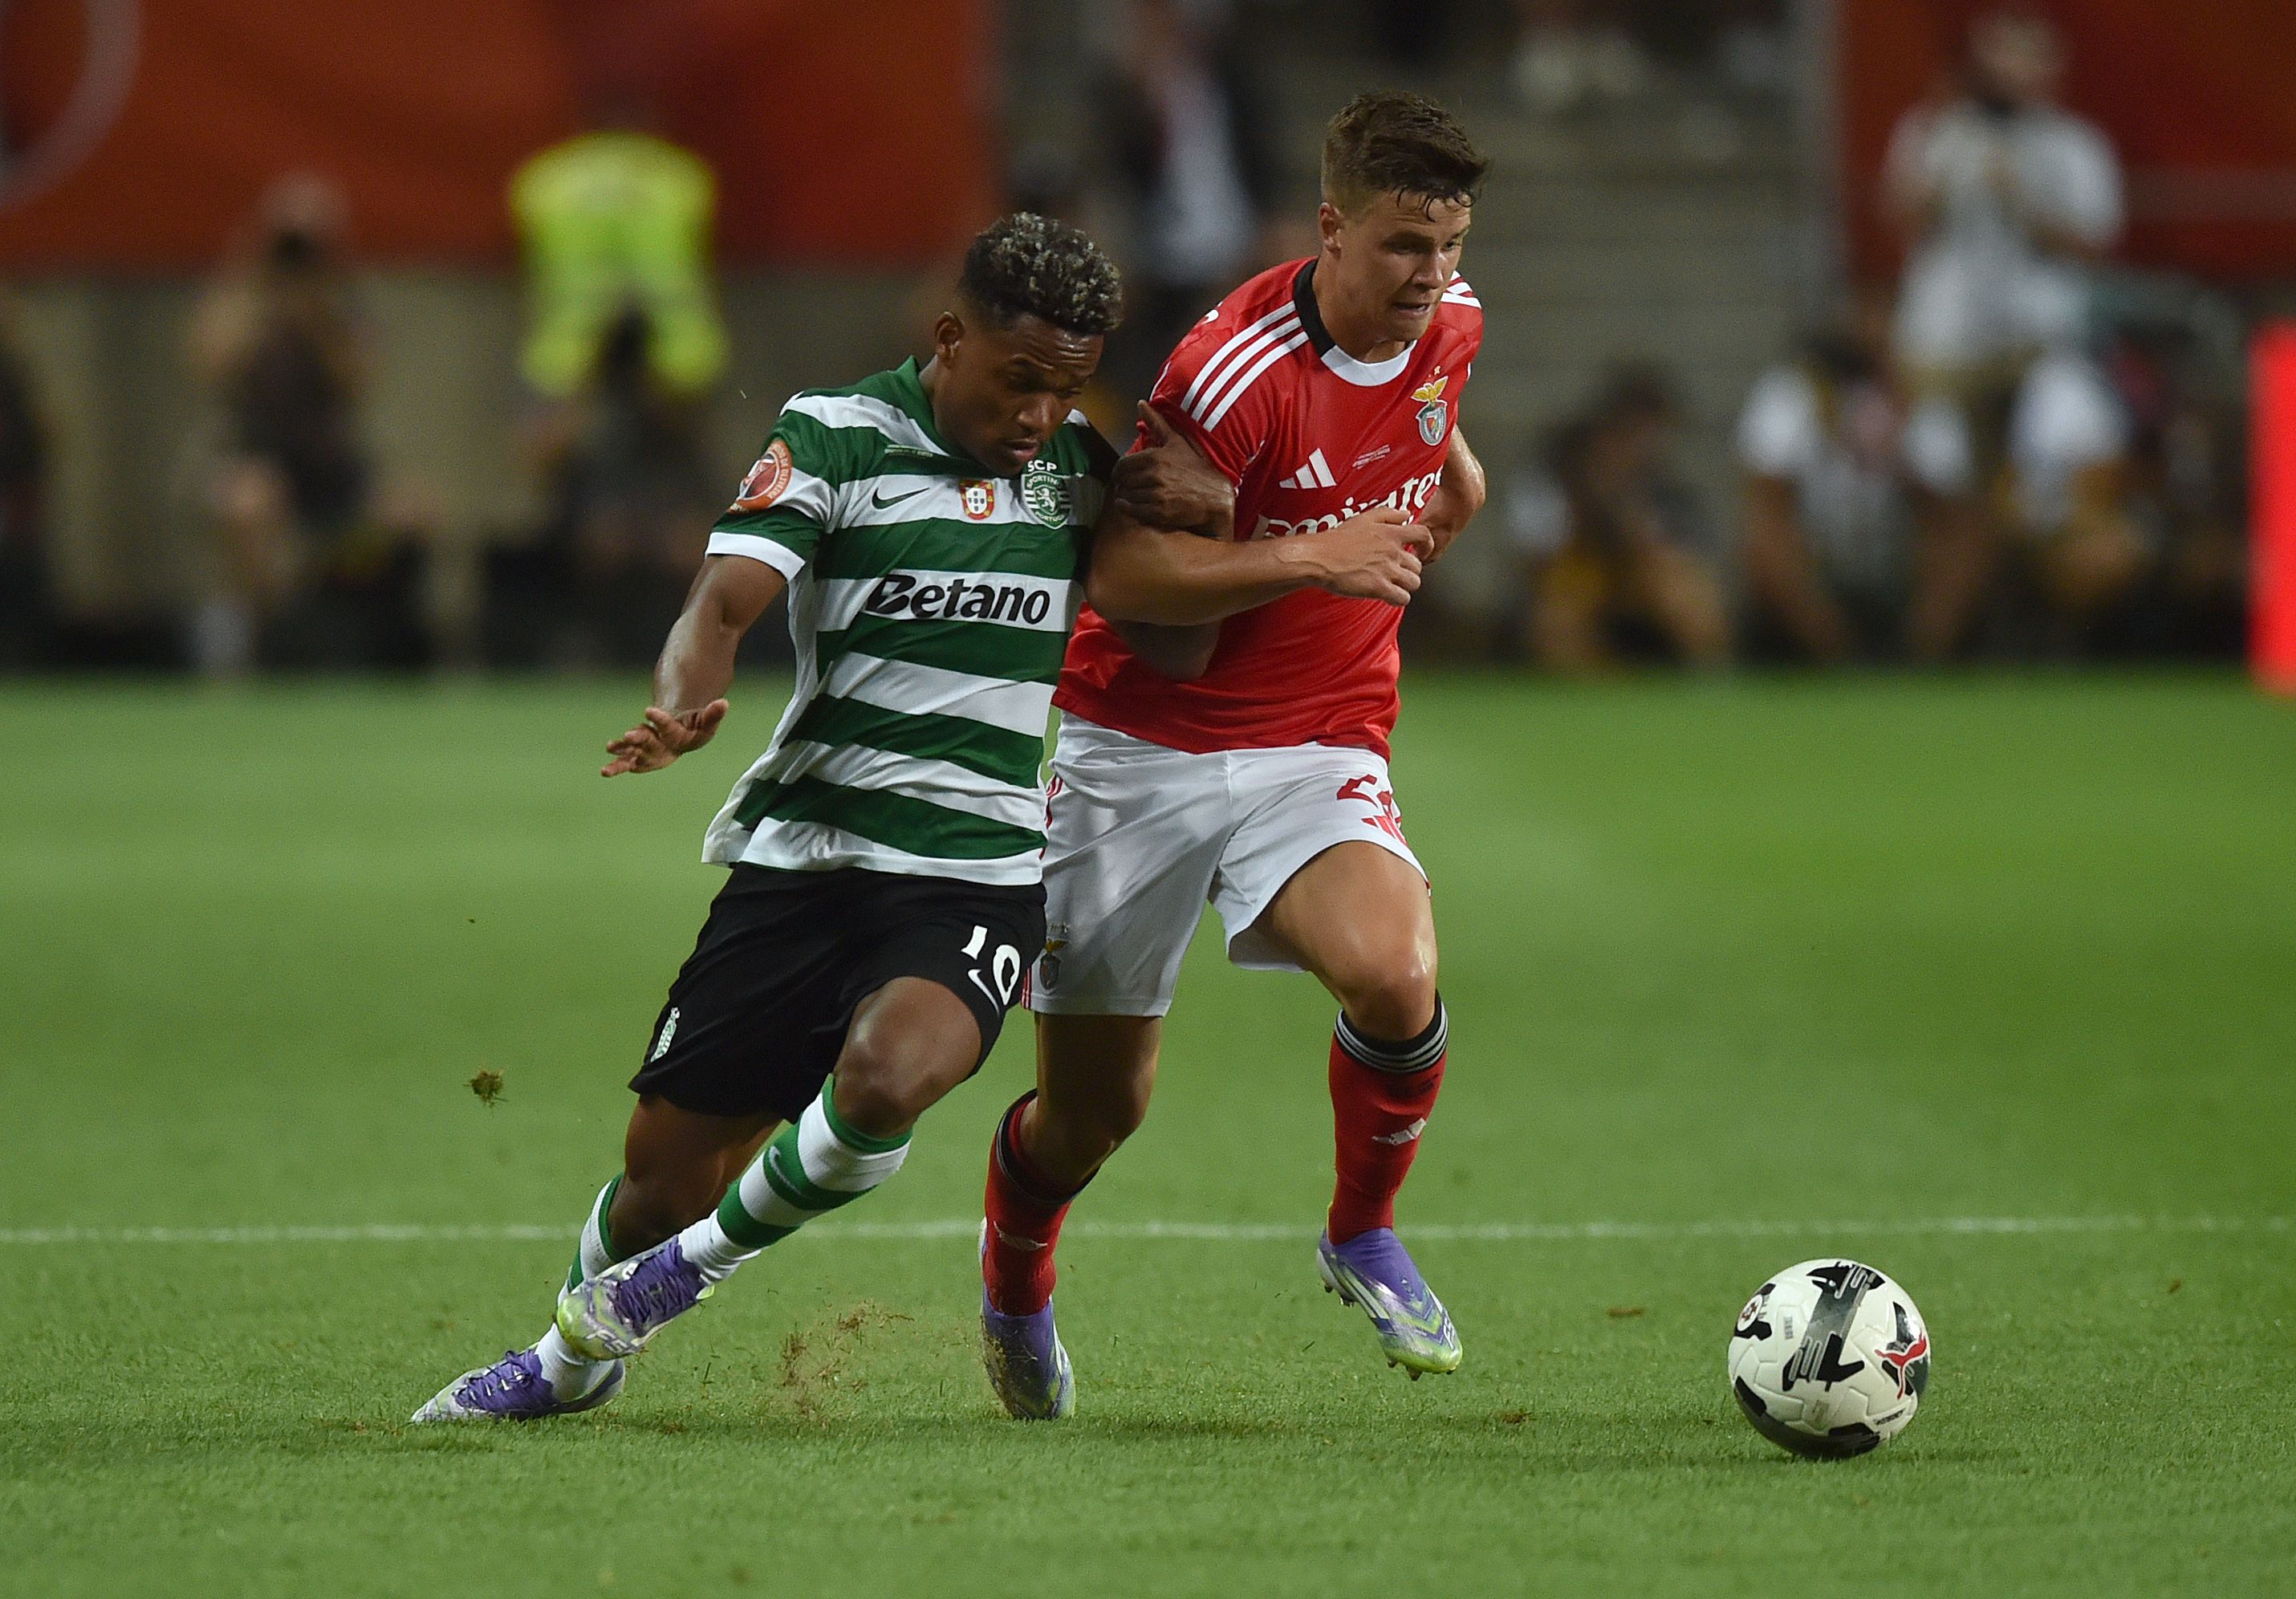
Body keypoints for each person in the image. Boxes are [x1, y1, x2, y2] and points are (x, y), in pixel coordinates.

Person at [409, 214, 1130, 1422]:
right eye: (1018, 382)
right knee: (658, 1186)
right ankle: (576, 1359)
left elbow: (1174, 570)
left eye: (1065, 390)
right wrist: (683, 693)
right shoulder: (833, 435)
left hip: (975, 866)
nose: (1038, 416)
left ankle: (670, 1289)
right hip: (808, 858)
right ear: (950, 338)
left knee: (891, 1079)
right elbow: (726, 594)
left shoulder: (1079, 468)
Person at [975, 92, 1491, 1419]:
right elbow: (1127, 571)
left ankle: (1360, 1228)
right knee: (1093, 1118)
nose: (1429, 278)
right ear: (1330, 228)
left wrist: (1452, 492)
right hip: (1134, 751)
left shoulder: (1456, 326)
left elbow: (1429, 441)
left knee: (1394, 970)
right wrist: (1319, 550)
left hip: (1316, 736)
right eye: (1400, 248)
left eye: (1447, 247)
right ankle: (1016, 1287)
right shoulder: (1229, 367)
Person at [187, 175, 432, 673]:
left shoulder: (344, 305)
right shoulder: (244, 299)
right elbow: (208, 362)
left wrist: (318, 312)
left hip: (333, 466)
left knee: (413, 514)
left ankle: (396, 650)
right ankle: (262, 643)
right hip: (259, 456)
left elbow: (359, 380)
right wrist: (254, 273)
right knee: (250, 503)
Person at [1737, 299, 1987, 663]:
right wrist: (1827, 432)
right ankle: (1833, 657)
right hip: (1821, 569)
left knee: (1970, 537)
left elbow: (1953, 513)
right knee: (1764, 539)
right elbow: (1767, 505)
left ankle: (1920, 660)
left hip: (1899, 570)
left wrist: (1897, 457)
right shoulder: (1794, 393)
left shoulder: (1925, 400)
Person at [1506, 365, 1731, 670]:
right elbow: (1538, 561)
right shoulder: (1553, 480)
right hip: (1577, 574)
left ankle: (1709, 682)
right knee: (1557, 616)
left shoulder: (1661, 486)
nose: (1643, 444)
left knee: (1687, 595)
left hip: (1640, 575)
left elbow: (1680, 550)